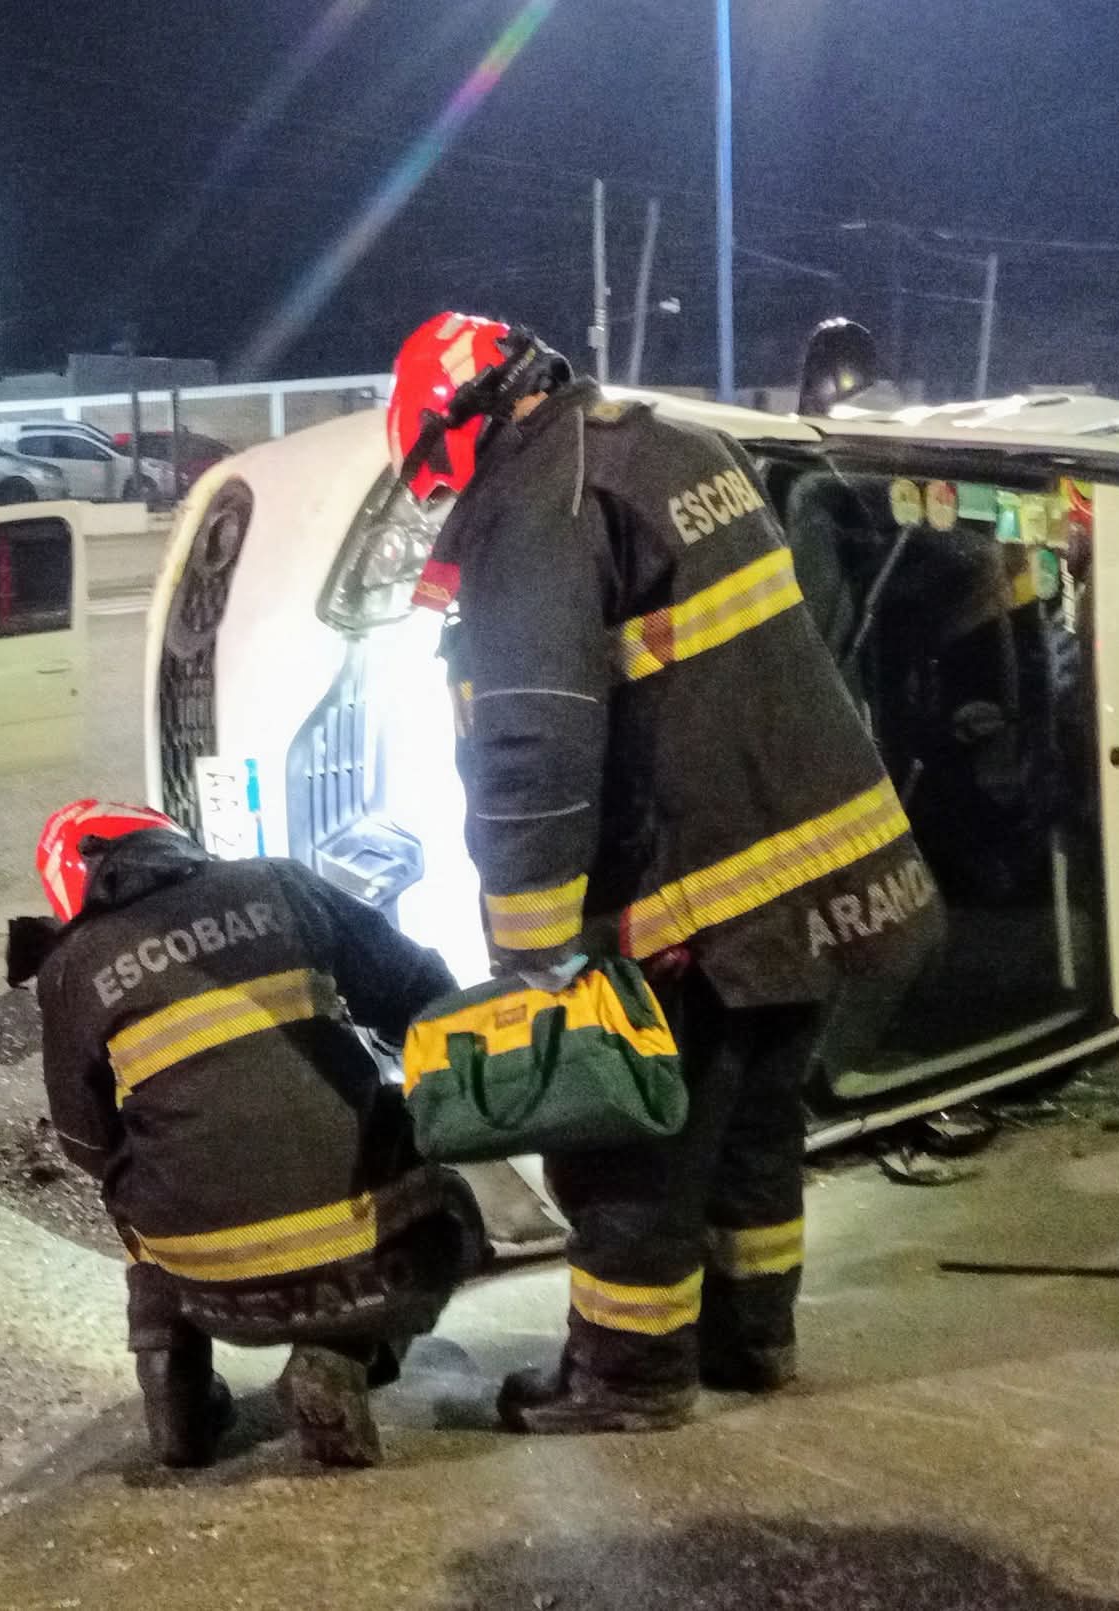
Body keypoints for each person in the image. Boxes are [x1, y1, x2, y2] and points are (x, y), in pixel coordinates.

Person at [387, 313, 944, 1435]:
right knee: (751, 1130)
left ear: (453, 430)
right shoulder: (678, 446)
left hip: (696, 891)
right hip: (816, 870)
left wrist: (533, 955)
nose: (445, 500)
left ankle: (627, 1380)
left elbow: (531, 741)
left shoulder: (537, 504)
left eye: (432, 477)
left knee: (628, 1144)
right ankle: (753, 1342)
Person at [7, 800, 483, 1469]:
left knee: (135, 1181)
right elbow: (422, 991)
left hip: (205, 1287)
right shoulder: (279, 883)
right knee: (454, 1211)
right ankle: (344, 1349)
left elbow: (84, 1143)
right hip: (367, 1260)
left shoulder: (70, 964)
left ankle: (177, 1391)